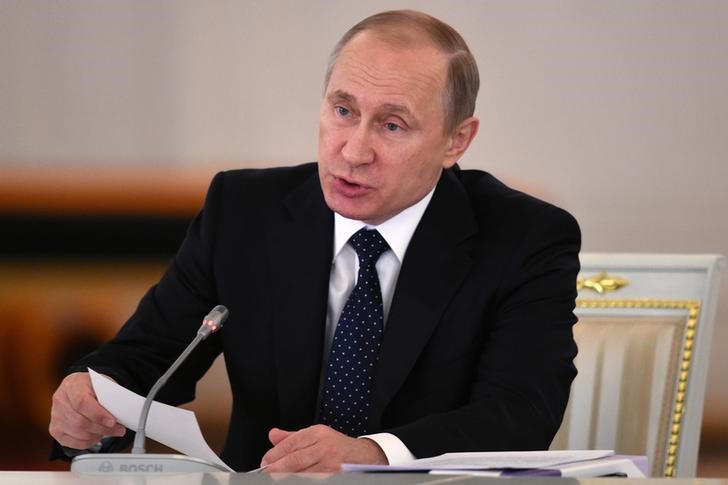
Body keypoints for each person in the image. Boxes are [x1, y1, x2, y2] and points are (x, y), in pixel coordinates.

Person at [49, 9, 580, 472]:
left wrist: (372, 455)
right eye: (342, 111)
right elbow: (144, 360)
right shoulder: (243, 212)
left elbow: (521, 412)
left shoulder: (525, 239)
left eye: (392, 125)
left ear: (456, 140)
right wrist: (85, 396)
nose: (353, 151)